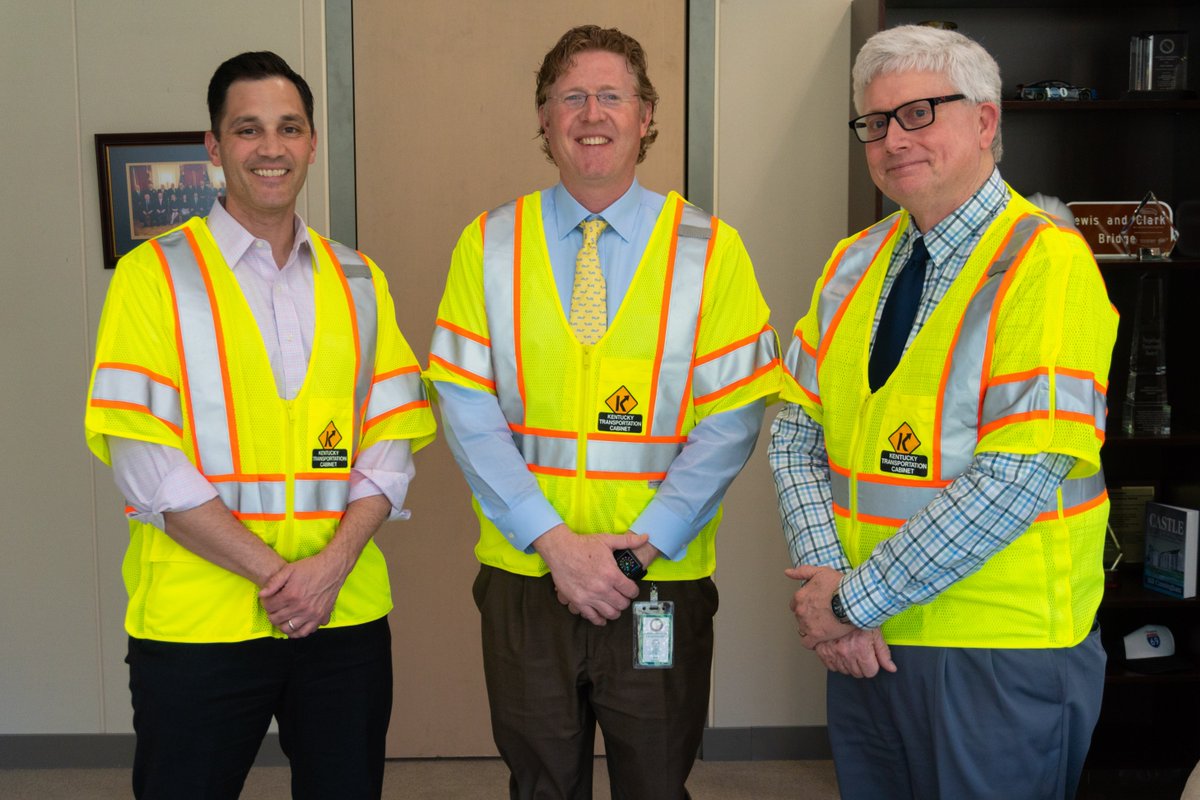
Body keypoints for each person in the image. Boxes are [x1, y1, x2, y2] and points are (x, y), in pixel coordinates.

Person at [425, 24, 780, 800]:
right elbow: (465, 410)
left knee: (656, 786)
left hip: (656, 577)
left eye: (611, 96)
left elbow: (733, 423)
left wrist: (636, 552)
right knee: (540, 785)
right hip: (527, 573)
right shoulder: (487, 244)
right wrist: (553, 543)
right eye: (571, 97)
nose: (593, 113)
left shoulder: (712, 250)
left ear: (646, 115)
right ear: (545, 119)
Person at [769, 24, 1117, 800]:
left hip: (996, 650)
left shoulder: (1047, 264)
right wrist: (830, 582)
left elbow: (1014, 481)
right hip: (869, 644)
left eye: (920, 112)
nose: (894, 139)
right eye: (876, 122)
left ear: (986, 121)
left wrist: (848, 603)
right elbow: (795, 432)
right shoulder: (851, 260)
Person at [84, 51, 436, 799]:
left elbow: (391, 444)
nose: (270, 148)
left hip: (342, 620)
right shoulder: (154, 277)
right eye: (248, 130)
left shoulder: (361, 280)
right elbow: (149, 466)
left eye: (289, 128)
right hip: (199, 627)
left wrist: (328, 570)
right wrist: (283, 580)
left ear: (311, 142)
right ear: (214, 147)